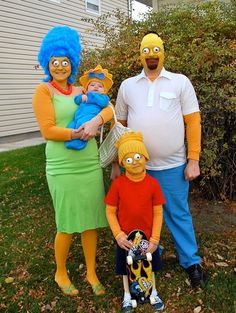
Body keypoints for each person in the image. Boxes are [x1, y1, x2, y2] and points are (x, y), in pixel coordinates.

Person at [112, 32, 206, 288]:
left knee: (178, 214)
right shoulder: (128, 86)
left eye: (155, 50)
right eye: (146, 50)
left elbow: (193, 121)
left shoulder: (180, 82)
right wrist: (115, 164)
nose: (151, 55)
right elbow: (119, 125)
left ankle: (191, 262)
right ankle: (148, 254)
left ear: (163, 51)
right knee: (137, 217)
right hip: (135, 169)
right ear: (140, 54)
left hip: (173, 165)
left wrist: (193, 158)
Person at [32, 26, 114, 296]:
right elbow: (47, 130)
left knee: (91, 219)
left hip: (88, 164)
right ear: (48, 63)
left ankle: (91, 272)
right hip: (62, 166)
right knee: (66, 222)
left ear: (72, 63)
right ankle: (60, 272)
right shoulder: (43, 91)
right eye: (54, 62)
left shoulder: (81, 89)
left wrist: (95, 121)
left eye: (65, 62)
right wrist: (76, 132)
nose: (59, 66)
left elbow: (109, 108)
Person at [106, 132, 165, 312]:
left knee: (150, 264)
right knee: (126, 267)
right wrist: (118, 234)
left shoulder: (153, 184)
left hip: (147, 237)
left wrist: (155, 239)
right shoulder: (118, 185)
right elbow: (110, 211)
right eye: (129, 159)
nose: (135, 161)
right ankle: (127, 295)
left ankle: (152, 291)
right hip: (126, 239)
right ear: (123, 163)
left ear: (145, 157)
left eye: (138, 156)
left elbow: (158, 212)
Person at [65, 64, 113, 150]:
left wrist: (91, 97)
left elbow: (104, 103)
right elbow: (76, 100)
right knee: (70, 126)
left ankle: (79, 144)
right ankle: (69, 142)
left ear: (104, 90)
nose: (96, 87)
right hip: (77, 117)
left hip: (89, 117)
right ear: (87, 88)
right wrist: (81, 98)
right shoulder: (84, 94)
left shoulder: (103, 97)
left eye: (100, 86)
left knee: (82, 128)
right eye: (92, 85)